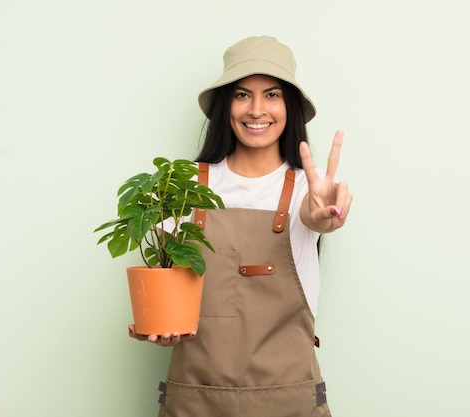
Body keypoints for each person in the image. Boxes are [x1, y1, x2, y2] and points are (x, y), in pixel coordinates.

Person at [128, 35, 352, 417]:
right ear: (225, 105)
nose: (257, 109)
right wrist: (162, 328)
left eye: (273, 95)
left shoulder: (305, 189)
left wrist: (322, 216)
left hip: (287, 401)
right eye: (243, 94)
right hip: (196, 399)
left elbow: (313, 217)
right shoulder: (183, 188)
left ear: (289, 106)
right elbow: (165, 291)